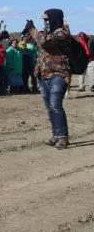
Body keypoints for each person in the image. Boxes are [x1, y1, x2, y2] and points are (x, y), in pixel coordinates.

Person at [26, 9, 72, 149]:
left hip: (58, 74)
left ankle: (63, 137)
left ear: (54, 18)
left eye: (47, 19)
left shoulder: (62, 33)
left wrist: (32, 29)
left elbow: (44, 42)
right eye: (44, 20)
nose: (45, 22)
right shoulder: (46, 33)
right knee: (49, 107)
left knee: (55, 105)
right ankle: (56, 135)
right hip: (43, 74)